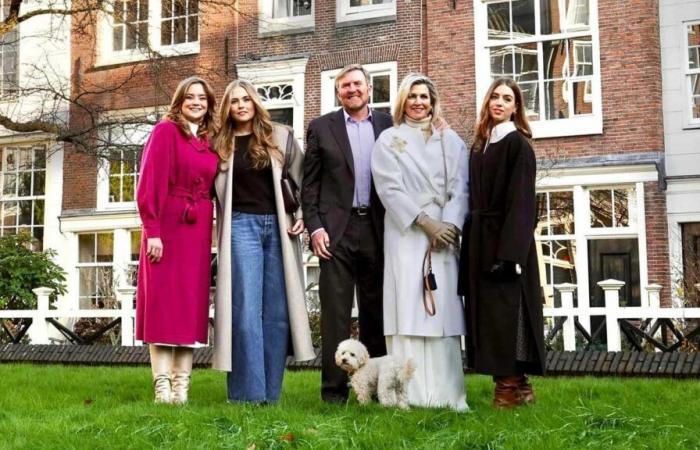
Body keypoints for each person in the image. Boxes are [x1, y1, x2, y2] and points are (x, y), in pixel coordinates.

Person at [211, 80, 315, 404]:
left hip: (280, 229)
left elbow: (304, 182)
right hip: (241, 226)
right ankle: (247, 395)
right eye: (234, 101)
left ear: (255, 102)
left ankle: (270, 395)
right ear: (227, 108)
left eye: (246, 99)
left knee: (277, 313)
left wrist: (302, 217)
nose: (241, 105)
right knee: (245, 312)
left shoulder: (280, 136)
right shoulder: (219, 145)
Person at [371, 73, 469, 411]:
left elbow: (461, 187)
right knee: (409, 308)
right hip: (407, 233)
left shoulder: (451, 140)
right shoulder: (389, 139)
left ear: (433, 100)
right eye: (412, 96)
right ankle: (408, 395)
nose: (418, 102)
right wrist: (425, 223)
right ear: (402, 100)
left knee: (441, 311)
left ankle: (448, 395)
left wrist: (449, 226)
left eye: (424, 96)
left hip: (444, 237)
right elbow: (389, 187)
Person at [302, 64, 393, 404]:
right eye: (345, 86)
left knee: (376, 314)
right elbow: (308, 185)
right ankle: (333, 394)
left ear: (369, 89)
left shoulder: (388, 125)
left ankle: (376, 390)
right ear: (338, 92)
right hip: (335, 234)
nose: (352, 90)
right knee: (335, 317)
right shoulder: (321, 127)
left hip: (377, 229)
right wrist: (315, 227)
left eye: (357, 84)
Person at [457, 77, 546, 409]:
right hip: (480, 240)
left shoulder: (518, 145)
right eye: (494, 96)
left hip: (507, 243)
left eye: (507, 98)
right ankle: (520, 386)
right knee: (488, 317)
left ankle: (507, 387)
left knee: (507, 316)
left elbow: (522, 202)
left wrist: (510, 254)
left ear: (516, 107)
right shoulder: (480, 144)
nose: (499, 102)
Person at [136, 76, 218, 404]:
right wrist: (152, 232)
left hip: (197, 232)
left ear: (210, 103)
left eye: (202, 97)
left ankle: (182, 388)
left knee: (188, 310)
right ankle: (161, 386)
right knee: (162, 306)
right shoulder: (166, 131)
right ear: (180, 101)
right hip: (167, 225)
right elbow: (149, 183)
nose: (197, 102)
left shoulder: (212, 140)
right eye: (190, 97)